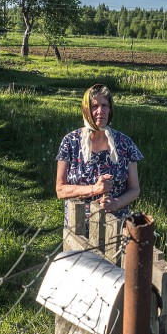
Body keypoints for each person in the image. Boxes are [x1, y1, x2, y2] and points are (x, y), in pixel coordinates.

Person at [56, 84, 143, 227]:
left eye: (105, 105)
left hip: (115, 226)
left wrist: (116, 203)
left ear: (110, 110)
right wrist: (94, 189)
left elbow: (134, 189)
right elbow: (60, 189)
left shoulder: (124, 143)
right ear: (86, 109)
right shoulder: (70, 142)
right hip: (78, 227)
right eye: (94, 106)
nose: (100, 111)